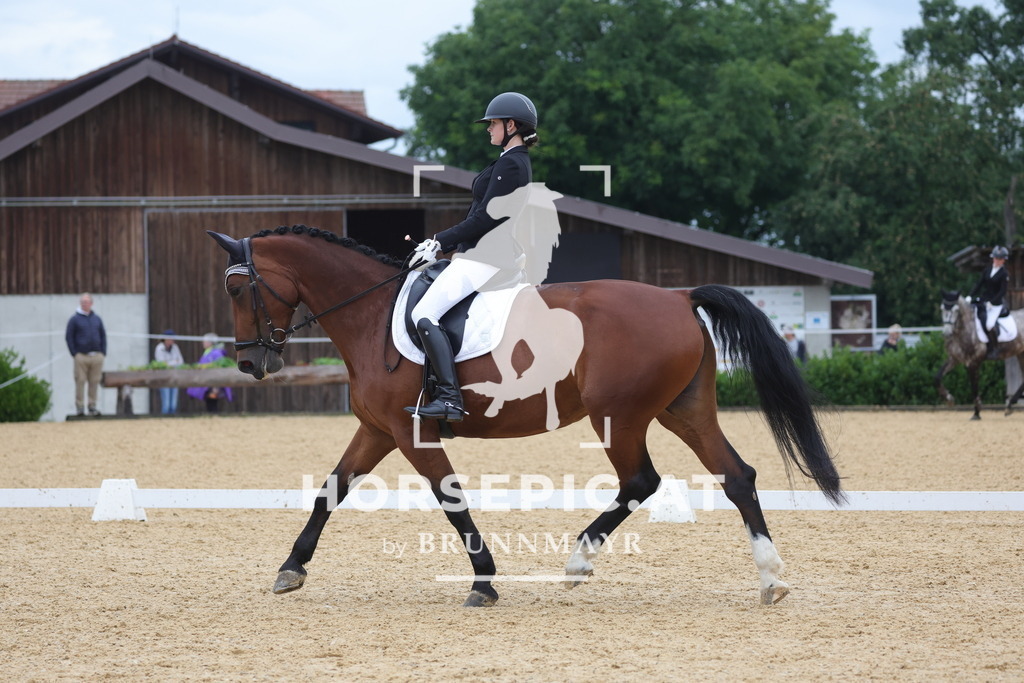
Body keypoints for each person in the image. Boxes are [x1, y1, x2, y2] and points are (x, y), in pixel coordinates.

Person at [404, 92, 539, 422]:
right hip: (477, 254)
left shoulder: (512, 163)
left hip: (487, 257)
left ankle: (450, 398)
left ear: (511, 125)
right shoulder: (508, 160)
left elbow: (486, 219)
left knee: (424, 314)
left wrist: (439, 242)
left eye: (492, 123)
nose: (488, 129)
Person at [65, 292, 106, 416]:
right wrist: (74, 353)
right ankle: (80, 407)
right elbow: (69, 337)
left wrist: (103, 352)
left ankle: (92, 406)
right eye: (83, 302)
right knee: (80, 381)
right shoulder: (74, 319)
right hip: (81, 356)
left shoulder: (96, 319)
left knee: (94, 381)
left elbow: (103, 336)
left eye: (87, 302)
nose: (85, 304)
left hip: (96, 355)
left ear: (91, 304)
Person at [969, 245, 1010, 359]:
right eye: (995, 258)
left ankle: (994, 348)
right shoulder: (987, 270)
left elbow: (1002, 291)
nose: (996, 261)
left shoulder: (1004, 274)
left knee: (989, 324)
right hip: (984, 300)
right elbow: (979, 284)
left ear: (1003, 260)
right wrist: (970, 295)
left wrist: (992, 302)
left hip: (995, 304)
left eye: (999, 259)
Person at [186, 333, 233, 413]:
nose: (203, 343)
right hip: (207, 382)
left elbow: (219, 366)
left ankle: (213, 415)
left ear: (210, 343)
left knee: (213, 400)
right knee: (209, 400)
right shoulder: (207, 352)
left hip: (213, 382)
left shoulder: (216, 353)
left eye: (205, 341)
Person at [154, 329, 184, 414]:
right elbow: (162, 363)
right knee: (166, 404)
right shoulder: (159, 348)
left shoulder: (175, 347)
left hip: (174, 377)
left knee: (173, 404)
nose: (172, 340)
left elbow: (181, 362)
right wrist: (174, 362)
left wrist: (169, 363)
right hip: (164, 377)